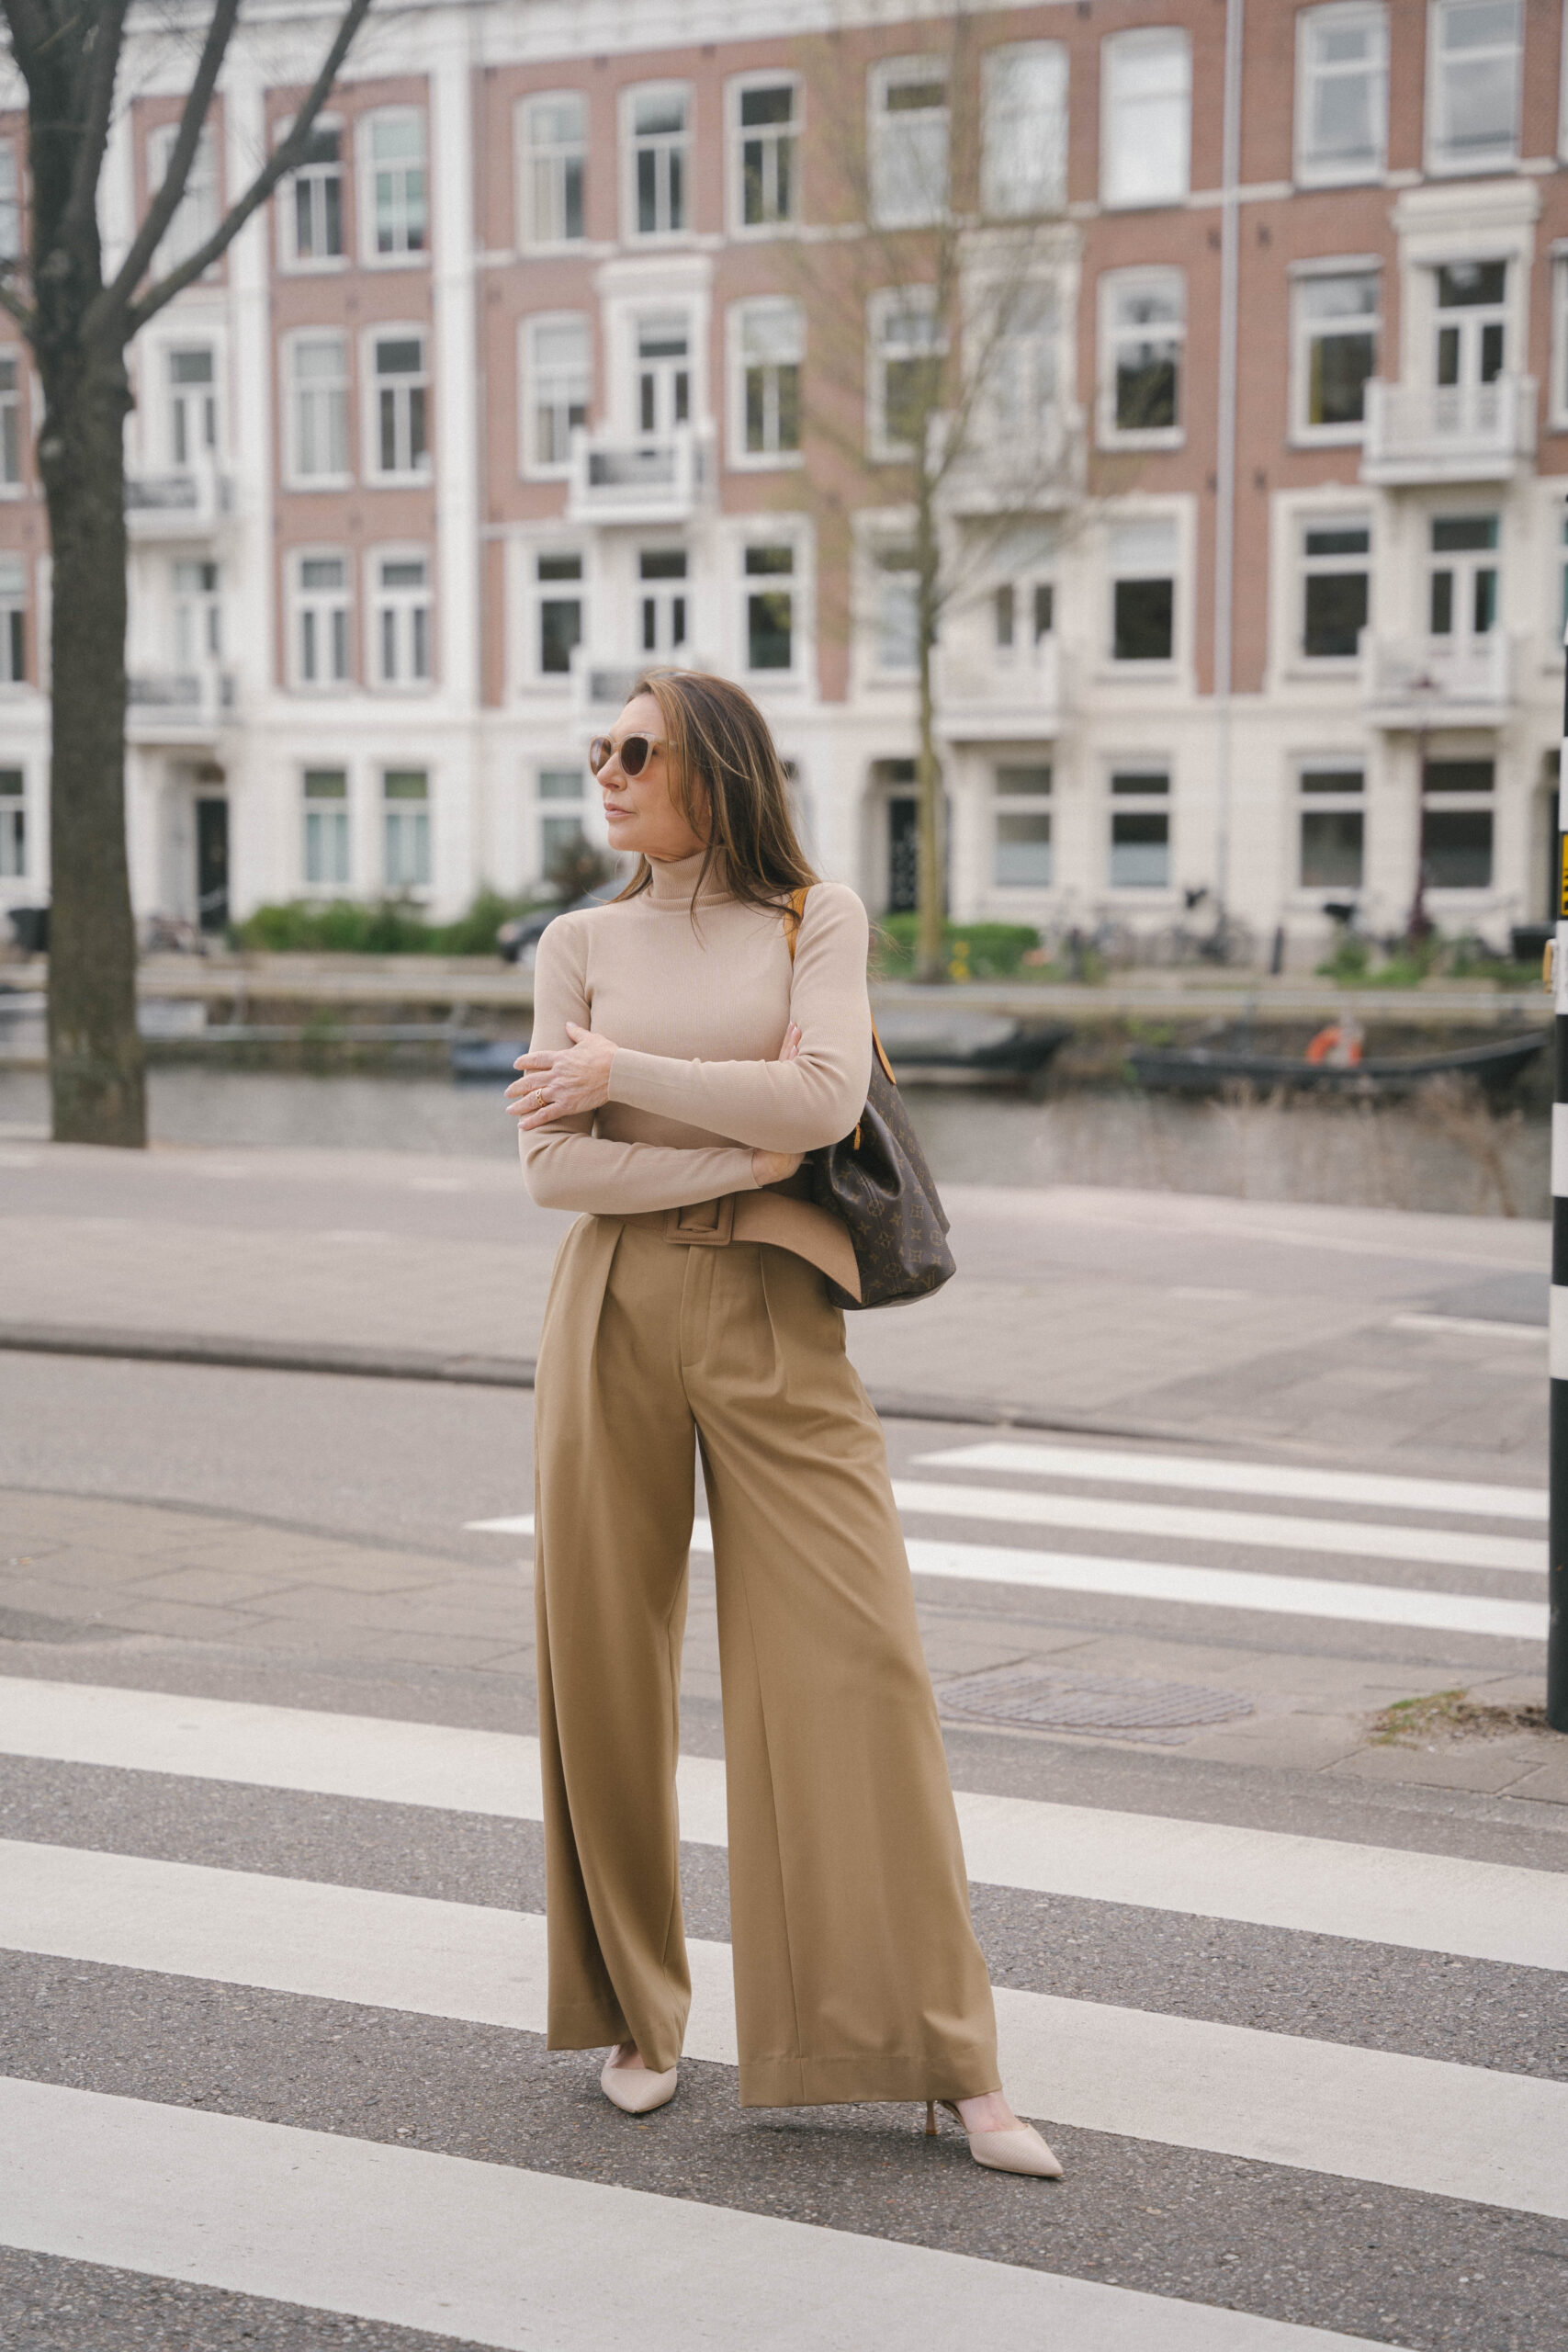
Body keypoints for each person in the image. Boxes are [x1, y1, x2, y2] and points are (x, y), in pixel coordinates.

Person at [507, 668, 1061, 2180]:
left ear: (718, 771)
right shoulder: (577, 940)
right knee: (602, 1660)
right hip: (607, 1307)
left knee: (857, 1661)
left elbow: (821, 1102)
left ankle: (944, 2056)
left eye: (639, 750)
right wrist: (729, 1158)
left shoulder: (817, 920)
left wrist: (626, 1079)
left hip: (776, 1313)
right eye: (600, 750)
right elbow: (554, 1178)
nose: (608, 771)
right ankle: (638, 2014)